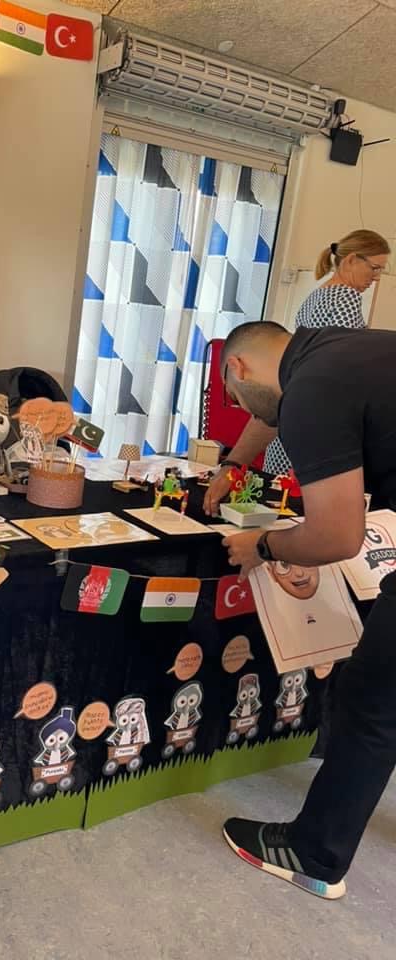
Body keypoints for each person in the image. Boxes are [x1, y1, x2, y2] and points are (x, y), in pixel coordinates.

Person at [218, 319, 396, 900]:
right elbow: (269, 414)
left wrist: (263, 545)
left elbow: (337, 536)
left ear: (238, 368)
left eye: (233, 396)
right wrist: (232, 466)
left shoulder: (311, 391)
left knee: (373, 700)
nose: (241, 408)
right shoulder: (337, 351)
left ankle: (313, 854)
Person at [204, 229, 390, 516]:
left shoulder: (320, 295)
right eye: (374, 268)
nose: (376, 277)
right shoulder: (344, 299)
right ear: (352, 260)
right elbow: (325, 389)